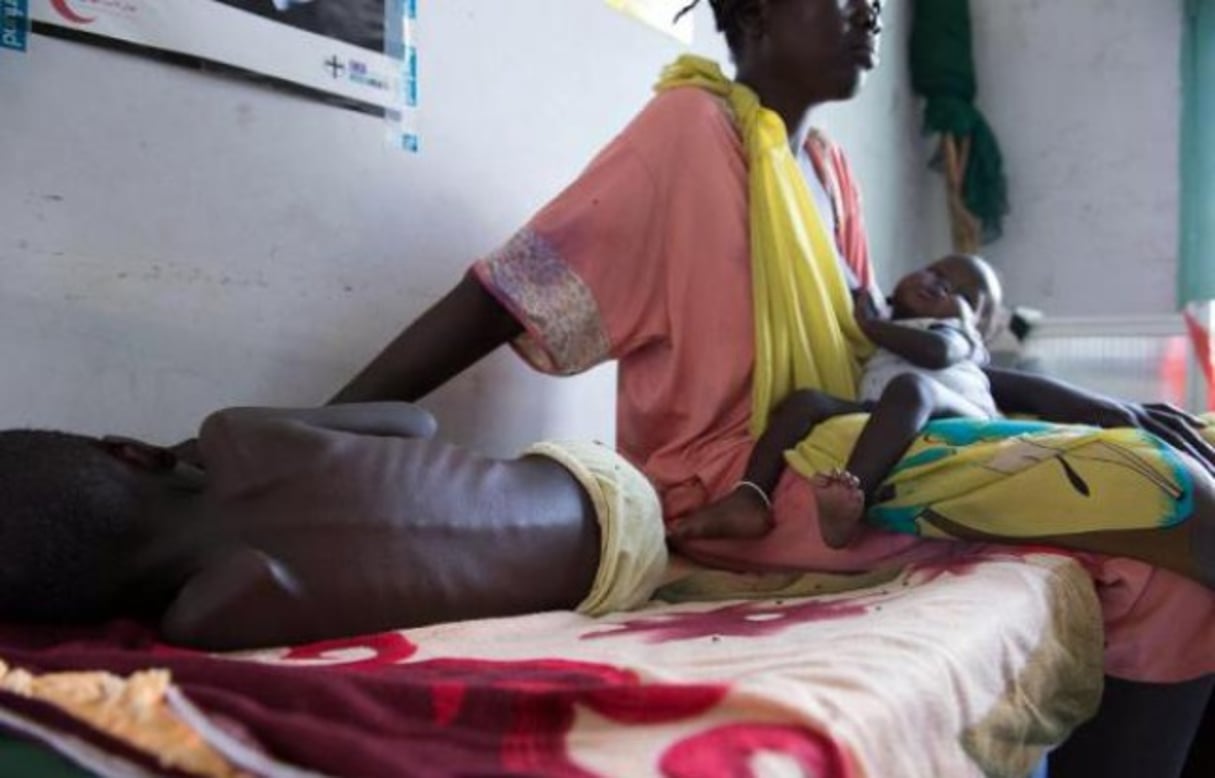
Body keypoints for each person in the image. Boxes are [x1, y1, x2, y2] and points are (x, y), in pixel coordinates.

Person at [328, 1, 1214, 775]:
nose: (868, 12)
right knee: (1179, 501)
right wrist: (333, 424)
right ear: (752, 12)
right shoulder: (685, 133)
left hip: (852, 442)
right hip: (737, 479)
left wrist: (1112, 410)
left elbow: (907, 362)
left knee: (1180, 548)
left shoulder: (825, 173)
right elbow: (502, 293)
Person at [0, 404, 666, 651]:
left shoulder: (203, 617)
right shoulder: (235, 433)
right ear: (132, 452)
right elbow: (416, 424)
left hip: (605, 583)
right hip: (593, 486)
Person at [671, 253, 1005, 550]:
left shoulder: (956, 334)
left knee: (912, 387)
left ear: (977, 326)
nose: (941, 287)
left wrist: (870, 325)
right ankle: (749, 496)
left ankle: (849, 501)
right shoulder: (882, 316)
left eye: (963, 295)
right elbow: (833, 265)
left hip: (958, 416)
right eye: (935, 273)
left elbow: (936, 352)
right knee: (807, 401)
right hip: (888, 410)